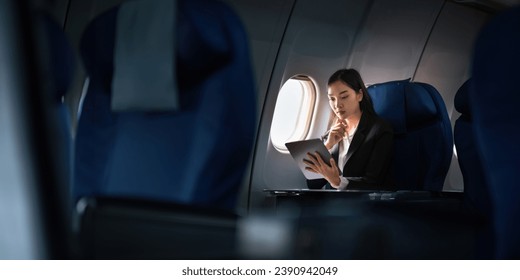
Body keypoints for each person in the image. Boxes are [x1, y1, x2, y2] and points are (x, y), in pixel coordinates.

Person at [304, 68, 394, 190]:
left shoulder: (380, 131)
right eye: (332, 98)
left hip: (360, 205)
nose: (337, 105)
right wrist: (327, 146)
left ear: (359, 95)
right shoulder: (329, 135)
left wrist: (338, 182)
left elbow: (374, 183)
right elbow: (313, 184)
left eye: (344, 96)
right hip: (333, 203)